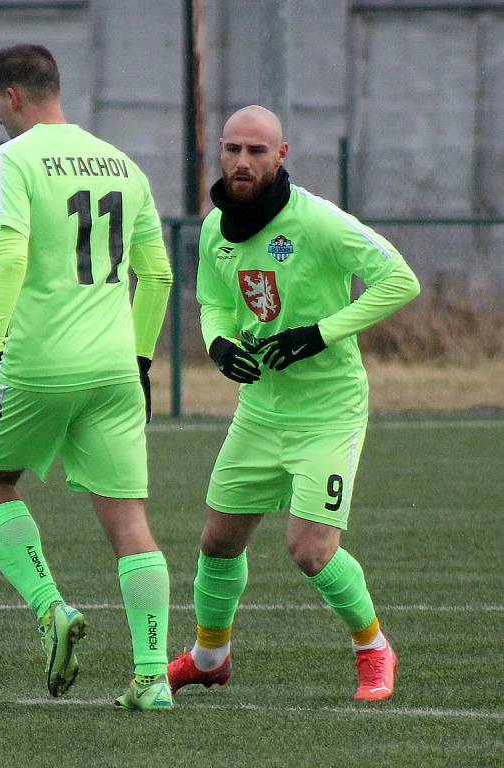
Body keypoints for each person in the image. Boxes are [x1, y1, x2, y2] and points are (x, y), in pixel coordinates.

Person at [168, 105, 420, 702]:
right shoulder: (214, 228)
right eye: (232, 149)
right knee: (218, 541)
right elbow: (214, 304)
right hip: (260, 410)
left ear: (281, 156)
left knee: (309, 550)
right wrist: (220, 344)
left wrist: (321, 332)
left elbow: (400, 279)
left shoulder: (320, 223)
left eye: (257, 151)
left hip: (327, 410)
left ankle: (374, 649)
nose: (242, 161)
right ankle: (210, 656)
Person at [0, 43, 174, 711]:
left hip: (40, 361)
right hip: (114, 366)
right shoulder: (123, 164)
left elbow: (9, 248)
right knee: (129, 521)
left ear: (14, 96)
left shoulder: (11, 159)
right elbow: (160, 276)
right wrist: (140, 363)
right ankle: (150, 679)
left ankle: (50, 607)